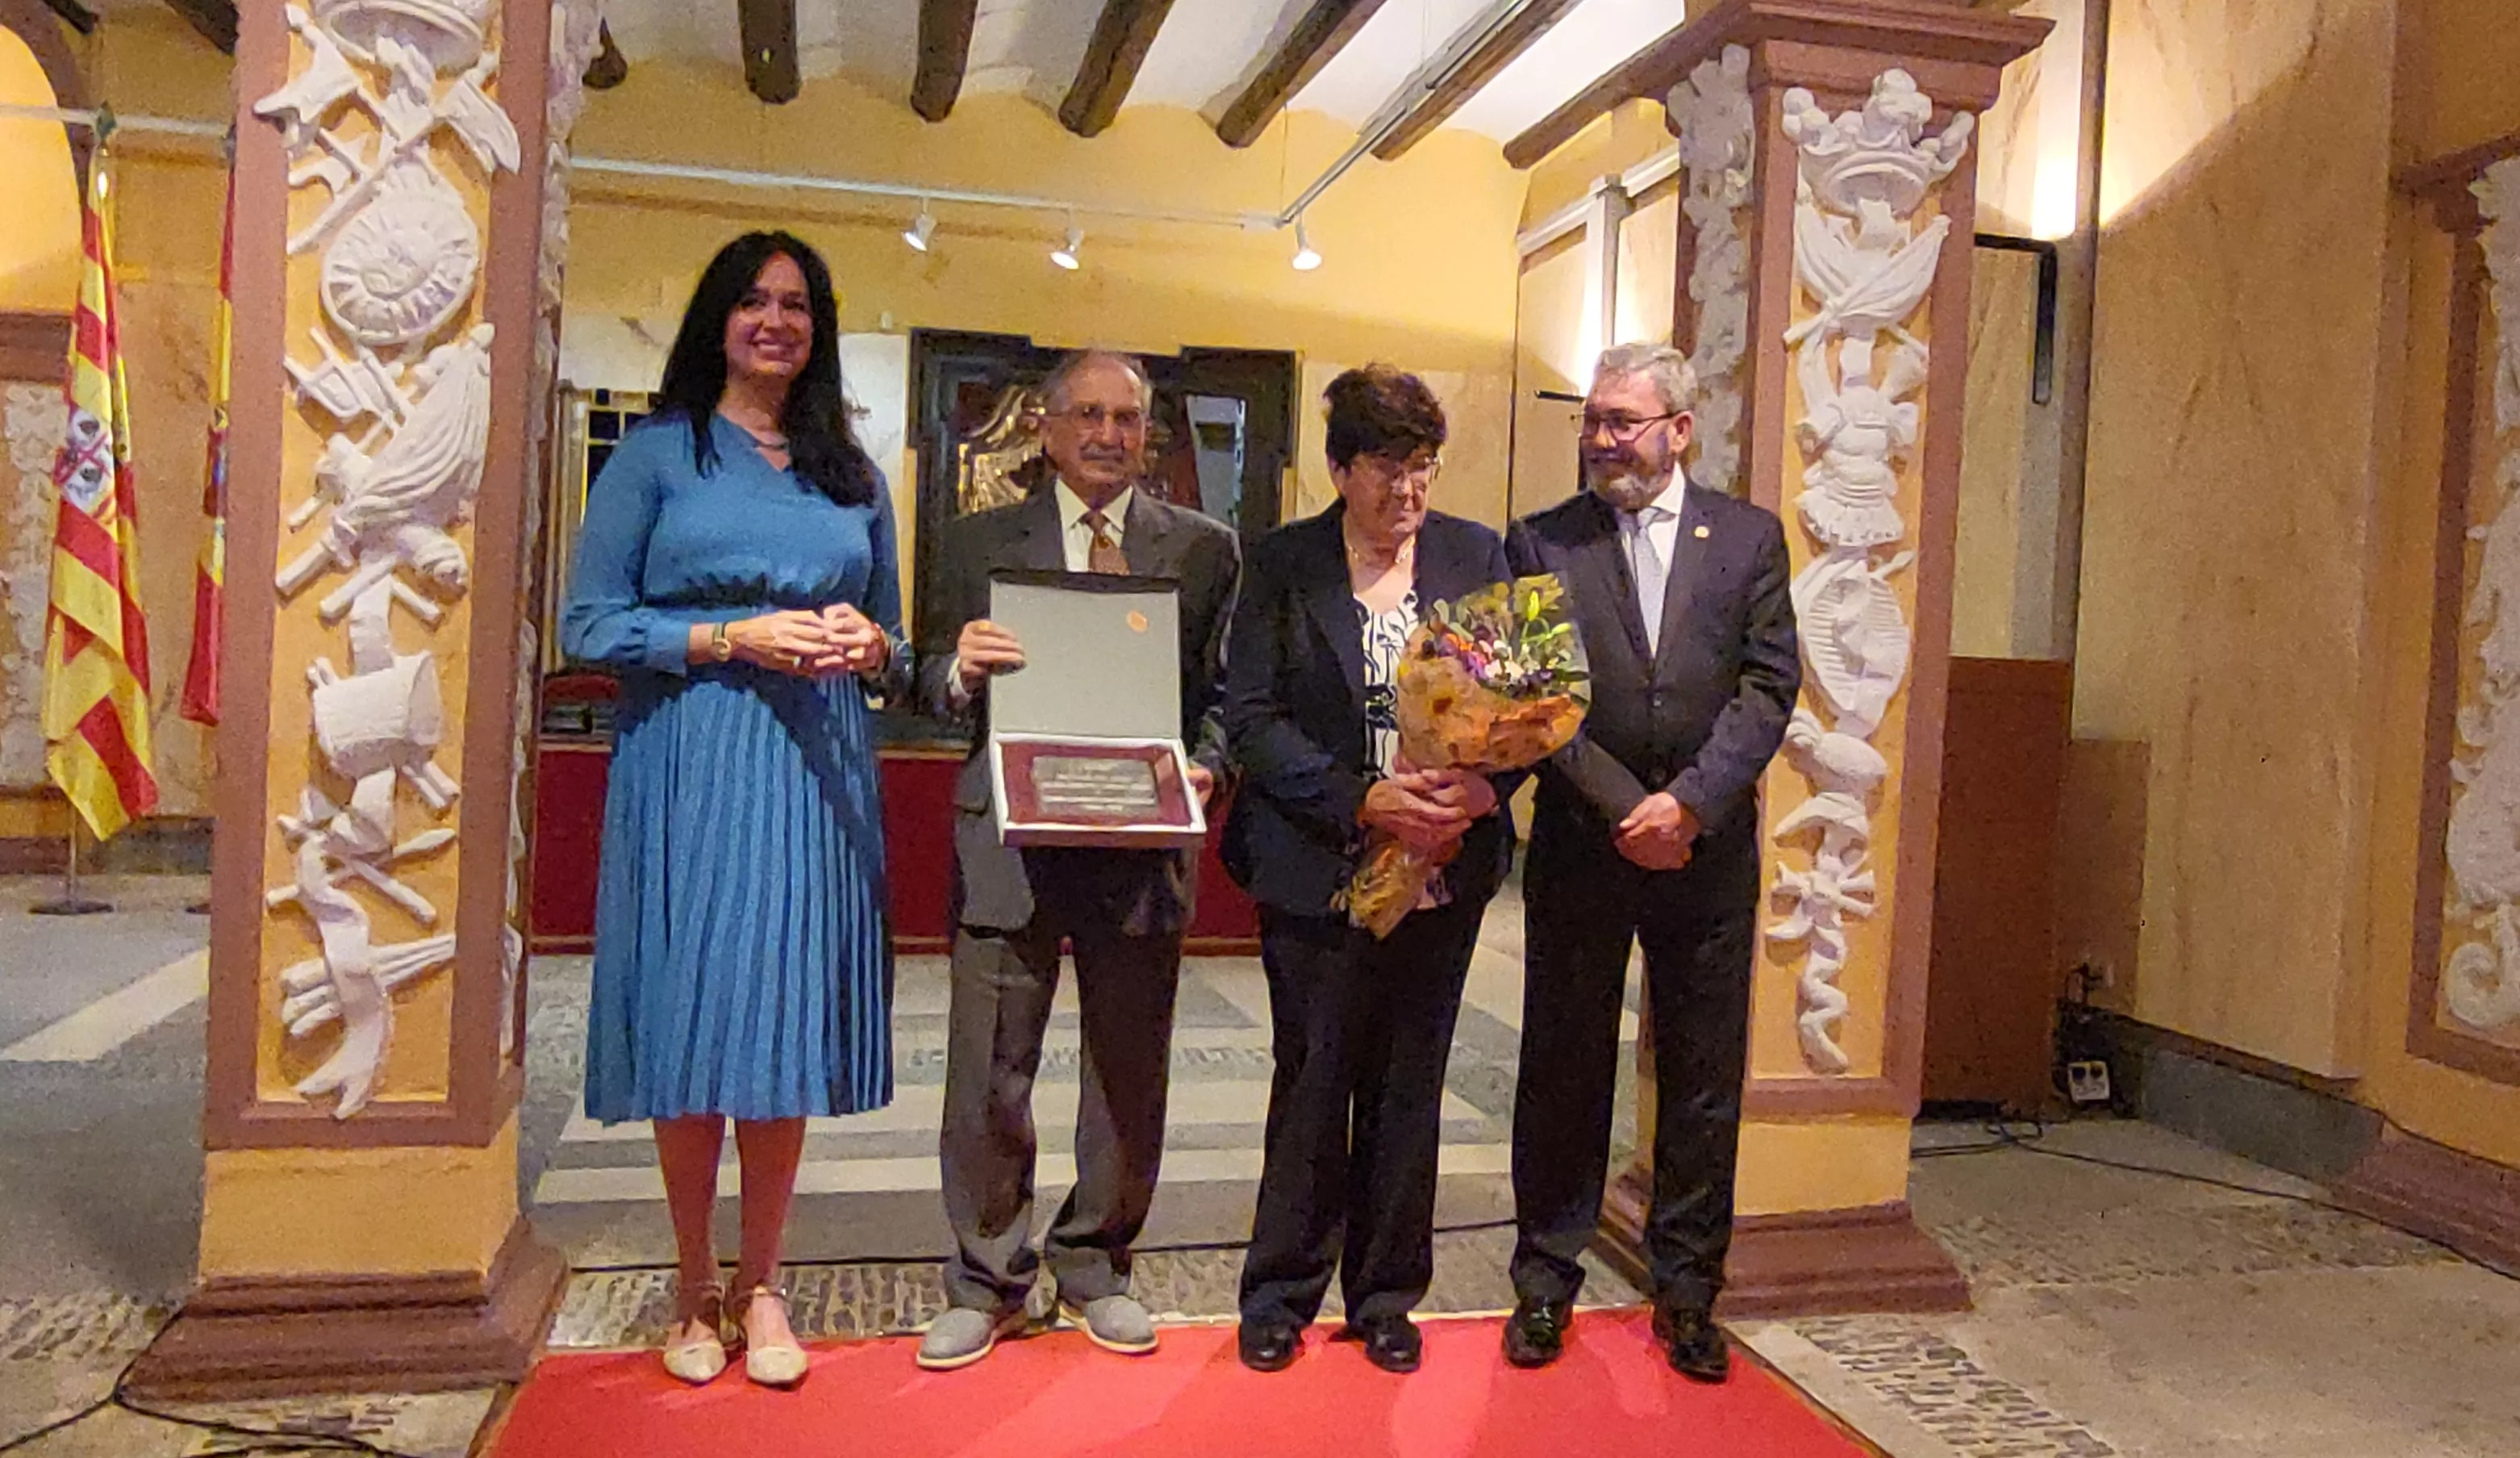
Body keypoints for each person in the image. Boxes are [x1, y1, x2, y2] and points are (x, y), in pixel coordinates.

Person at [560, 232, 905, 1389]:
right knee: (697, 1007)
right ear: (718, 317)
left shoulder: (853, 474)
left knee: (782, 1017)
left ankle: (765, 1279)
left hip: (817, 768)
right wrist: (724, 635)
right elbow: (588, 624)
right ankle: (690, 1274)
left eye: (797, 303)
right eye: (754, 300)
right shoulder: (657, 456)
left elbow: (894, 638)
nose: (775, 320)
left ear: (820, 326)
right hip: (694, 755)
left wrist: (872, 641)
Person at [912, 350, 1241, 1371]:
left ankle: (1097, 1263)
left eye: (1128, 418)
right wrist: (954, 668)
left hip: (1139, 846)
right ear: (1046, 429)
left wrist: (1205, 767)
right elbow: (920, 674)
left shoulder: (1205, 550)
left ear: (1150, 433)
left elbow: (1228, 697)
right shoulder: (969, 544)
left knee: (1128, 1068)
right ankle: (987, 1275)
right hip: (1008, 839)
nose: (1108, 434)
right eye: (1087, 415)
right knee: (986, 1071)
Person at [1501, 341, 1800, 1381]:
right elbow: (1532, 695)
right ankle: (1544, 1282)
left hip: (1705, 855)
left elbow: (1769, 686)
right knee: (1561, 1069)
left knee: (1702, 1075)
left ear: (1679, 430)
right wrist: (1629, 805)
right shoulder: (1541, 539)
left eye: (1622, 421)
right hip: (1587, 844)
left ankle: (1686, 1292)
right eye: (1592, 419)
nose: (1601, 439)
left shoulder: (1748, 539)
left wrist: (1691, 802)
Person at [1221, 366, 1513, 1376]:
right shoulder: (1284, 563)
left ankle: (1386, 1295)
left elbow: (1527, 711)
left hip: (1443, 866)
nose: (1408, 490)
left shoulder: (1479, 555)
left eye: (1422, 466)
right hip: (1318, 866)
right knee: (1314, 1076)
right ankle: (1280, 1293)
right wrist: (1363, 797)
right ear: (1340, 468)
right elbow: (1252, 720)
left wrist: (1483, 794)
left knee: (1410, 1081)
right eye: (1386, 467)